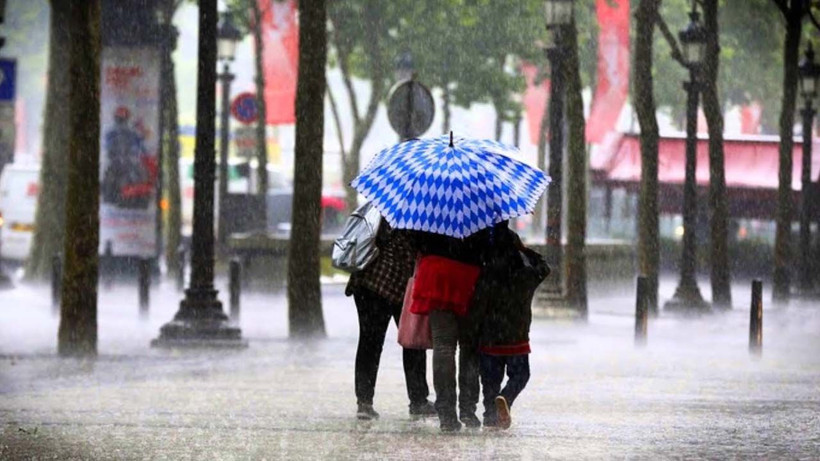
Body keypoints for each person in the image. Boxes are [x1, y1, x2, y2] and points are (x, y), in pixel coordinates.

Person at [345, 219, 436, 421]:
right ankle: (417, 400)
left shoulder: (387, 206)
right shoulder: (417, 218)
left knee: (371, 342)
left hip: (370, 282)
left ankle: (365, 402)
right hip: (389, 285)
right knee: (411, 342)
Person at [407, 229, 490, 432]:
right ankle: (468, 409)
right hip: (469, 275)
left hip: (436, 272)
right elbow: (491, 245)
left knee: (443, 346)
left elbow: (415, 241)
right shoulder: (481, 203)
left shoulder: (429, 202)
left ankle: (446, 414)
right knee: (469, 348)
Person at [471, 221, 549, 430]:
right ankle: (506, 397)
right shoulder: (526, 276)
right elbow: (545, 268)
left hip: (489, 336)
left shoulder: (485, 273)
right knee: (521, 375)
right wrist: (524, 250)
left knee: (489, 382)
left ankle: (490, 417)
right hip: (517, 335)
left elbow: (477, 303)